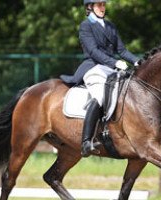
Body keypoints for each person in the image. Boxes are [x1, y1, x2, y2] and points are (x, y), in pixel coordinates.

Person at [61, 0, 142, 157]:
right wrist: (115, 62)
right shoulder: (86, 26)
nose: (102, 8)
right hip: (93, 67)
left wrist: (137, 61)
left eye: (103, 5)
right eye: (99, 5)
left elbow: (122, 50)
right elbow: (93, 51)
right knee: (99, 97)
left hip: (110, 69)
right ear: (90, 7)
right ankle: (86, 142)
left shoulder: (110, 26)